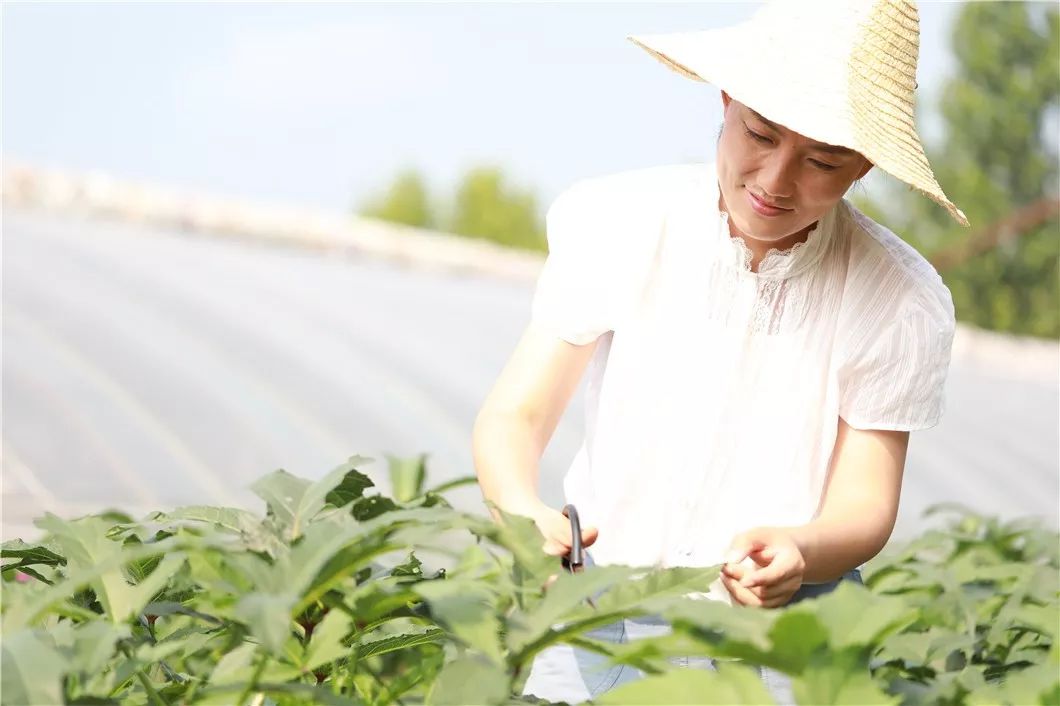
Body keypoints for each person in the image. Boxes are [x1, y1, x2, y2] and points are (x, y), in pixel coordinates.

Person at [472, 0, 965, 702]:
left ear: (864, 166)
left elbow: (866, 500)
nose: (775, 180)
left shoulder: (899, 296)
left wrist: (802, 549)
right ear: (727, 98)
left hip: (783, 644)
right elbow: (514, 417)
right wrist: (522, 511)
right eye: (760, 134)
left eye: (822, 160)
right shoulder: (622, 222)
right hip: (600, 616)